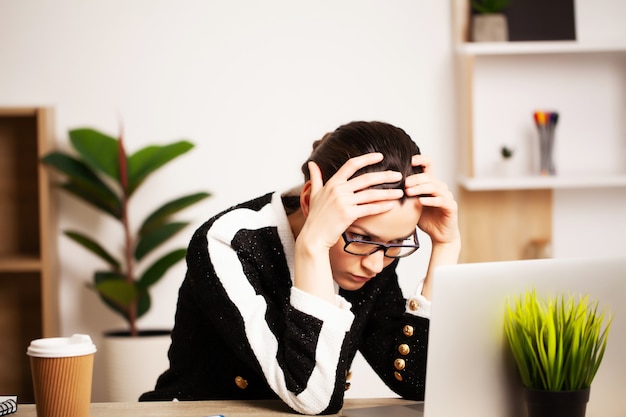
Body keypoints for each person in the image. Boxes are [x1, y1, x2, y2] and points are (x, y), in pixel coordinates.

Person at [139, 121, 461, 415]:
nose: (376, 264)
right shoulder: (229, 241)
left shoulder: (376, 247)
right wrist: (313, 246)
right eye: (363, 238)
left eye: (397, 244)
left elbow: (417, 383)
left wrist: (445, 247)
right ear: (309, 201)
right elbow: (311, 397)